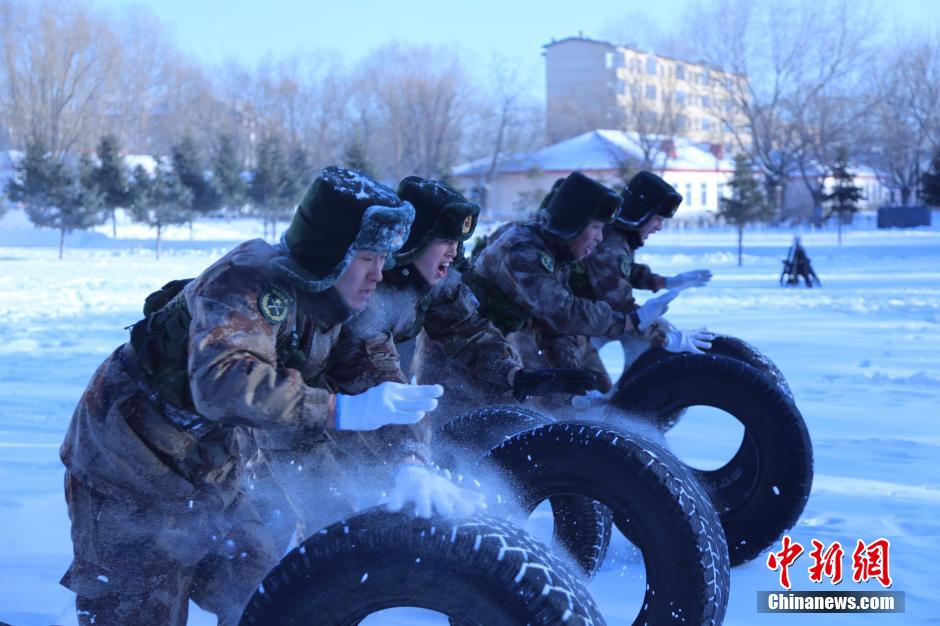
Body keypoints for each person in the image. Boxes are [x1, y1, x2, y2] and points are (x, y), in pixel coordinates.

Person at [58, 166, 472, 626]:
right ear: (330, 252)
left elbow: (383, 382)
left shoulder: (347, 304)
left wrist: (410, 460)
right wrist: (338, 410)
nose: (379, 274)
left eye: (383, 260)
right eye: (367, 258)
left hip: (212, 474)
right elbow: (223, 385)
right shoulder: (247, 281)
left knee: (270, 599)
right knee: (140, 613)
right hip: (128, 472)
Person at [328, 176, 600, 426]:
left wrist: (515, 376)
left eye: (458, 242)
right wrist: (413, 455)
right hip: (335, 416)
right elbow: (382, 386)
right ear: (417, 239)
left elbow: (469, 331)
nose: (454, 252)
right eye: (446, 240)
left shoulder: (436, 282)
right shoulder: (370, 292)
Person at [451, 171, 676, 405]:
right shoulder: (522, 251)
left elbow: (554, 327)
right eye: (597, 227)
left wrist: (578, 382)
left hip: (489, 352)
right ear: (573, 225)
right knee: (473, 435)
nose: (600, 238)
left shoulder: (557, 255)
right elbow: (564, 311)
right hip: (459, 358)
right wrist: (631, 321)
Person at [566, 171, 716, 389]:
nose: (659, 227)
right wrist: (666, 337)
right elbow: (622, 308)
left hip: (576, 324)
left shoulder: (617, 237)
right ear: (640, 214)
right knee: (581, 396)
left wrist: (665, 281)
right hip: (555, 330)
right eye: (657, 218)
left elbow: (623, 271)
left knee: (596, 393)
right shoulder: (611, 245)